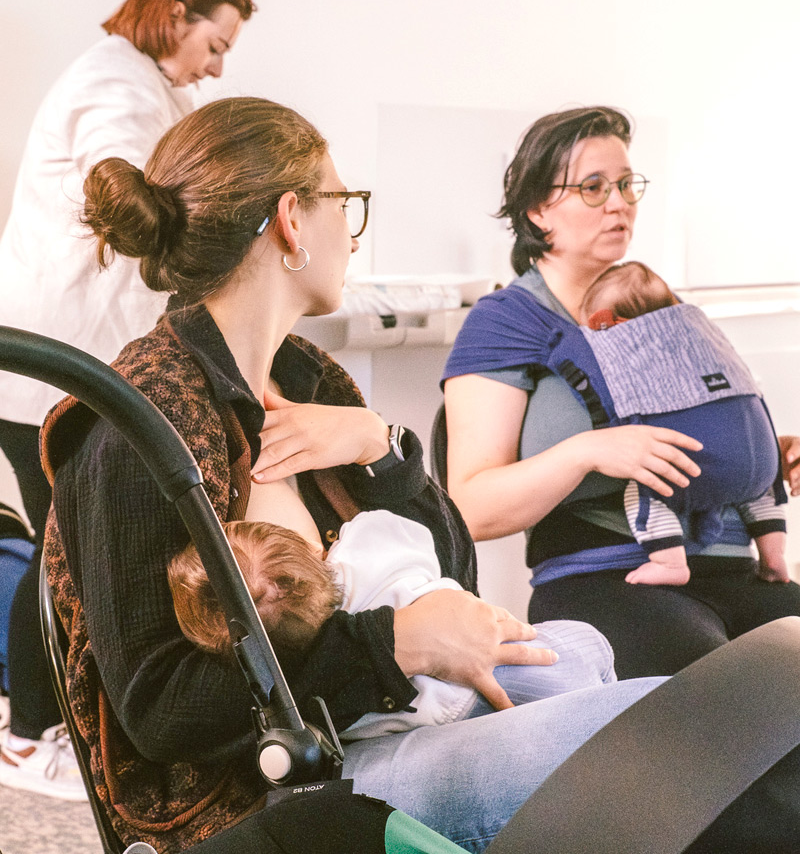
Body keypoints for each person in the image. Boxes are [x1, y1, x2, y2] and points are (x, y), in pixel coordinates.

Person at [38, 98, 800, 853]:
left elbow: (452, 570)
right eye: (345, 203)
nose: (353, 233)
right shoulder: (138, 420)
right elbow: (160, 711)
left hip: (402, 724)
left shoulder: (309, 378)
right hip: (295, 788)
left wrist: (382, 449)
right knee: (698, 749)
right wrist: (393, 643)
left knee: (721, 726)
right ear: (292, 220)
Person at [0, 0, 254, 801]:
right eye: (215, 44)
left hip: (73, 363)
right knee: (63, 556)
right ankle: (27, 737)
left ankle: (49, 728)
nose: (216, 66)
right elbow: (128, 185)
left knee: (68, 551)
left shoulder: (145, 85)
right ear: (177, 14)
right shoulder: (114, 84)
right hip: (54, 364)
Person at [442, 105, 800, 682]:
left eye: (627, 184)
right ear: (537, 209)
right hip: (608, 575)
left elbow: (697, 426)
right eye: (593, 187)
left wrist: (762, 455)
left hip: (739, 569)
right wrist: (588, 451)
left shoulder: (658, 304)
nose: (619, 203)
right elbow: (470, 508)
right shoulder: (507, 323)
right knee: (733, 691)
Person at [168, 512, 618, 740]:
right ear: (308, 547)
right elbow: (417, 531)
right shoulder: (367, 542)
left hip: (450, 713)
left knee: (594, 717)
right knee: (592, 651)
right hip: (502, 662)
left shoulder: (330, 676)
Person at [580, 260, 788, 587]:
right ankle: (774, 557)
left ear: (607, 323)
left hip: (690, 469)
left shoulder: (621, 352)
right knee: (761, 492)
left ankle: (669, 562)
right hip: (760, 461)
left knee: (644, 490)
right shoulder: (705, 337)